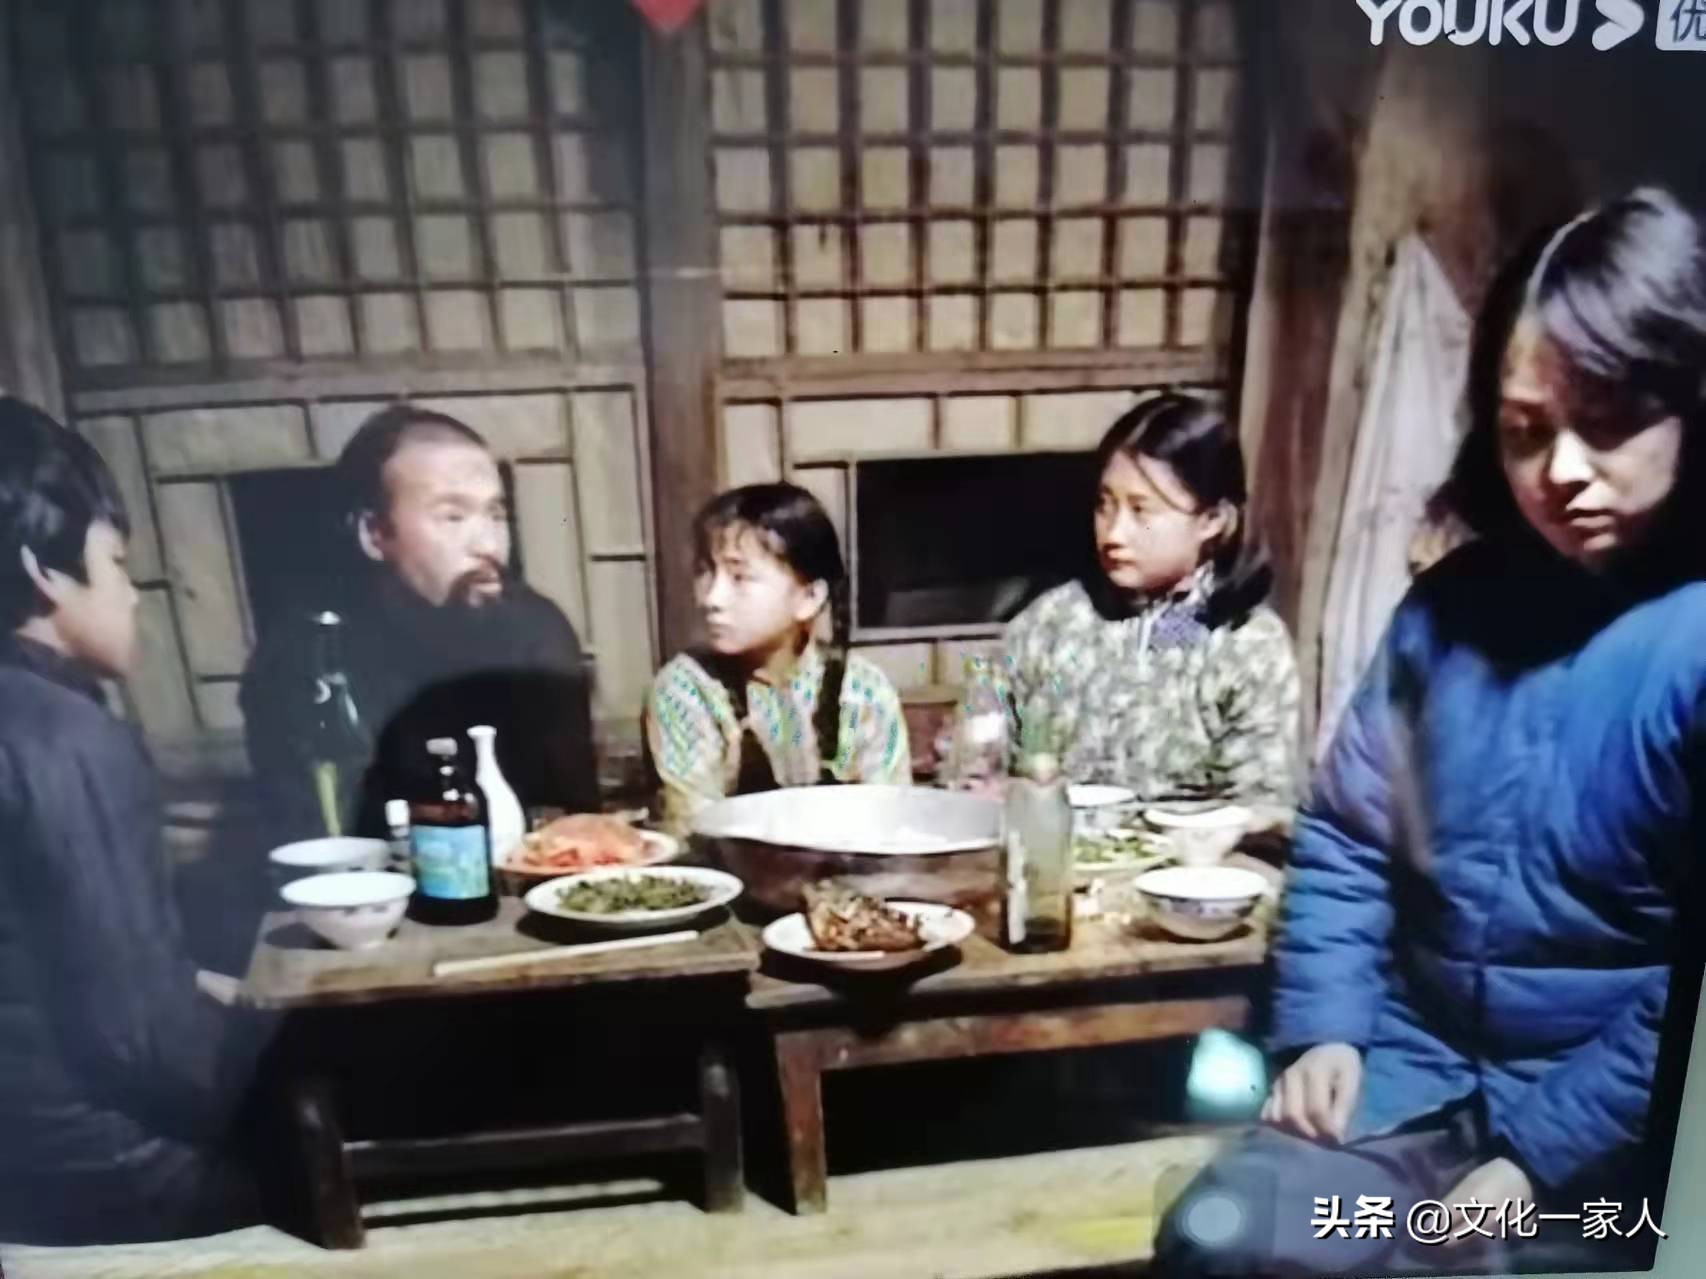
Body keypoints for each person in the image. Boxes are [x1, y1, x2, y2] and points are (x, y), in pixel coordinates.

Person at [1154, 187, 1706, 1276]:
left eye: (1607, 420)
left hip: (1609, 1146)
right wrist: (1326, 1026)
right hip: (1408, 1071)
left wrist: (1534, 1160)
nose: (1560, 470)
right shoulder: (1448, 608)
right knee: (1219, 1237)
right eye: (1525, 430)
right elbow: (1349, 837)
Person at [0, 399, 268, 1243]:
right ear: (42, 569)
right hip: (96, 1165)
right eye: (114, 562)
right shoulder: (61, 735)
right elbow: (140, 1039)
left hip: (24, 1148)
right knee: (368, 1130)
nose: (132, 594)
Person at [241, 403, 599, 839]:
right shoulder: (309, 654)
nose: (488, 545)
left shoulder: (536, 630)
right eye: (453, 517)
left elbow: (574, 817)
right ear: (376, 533)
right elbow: (313, 837)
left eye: (496, 514)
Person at [969, 392, 1301, 810]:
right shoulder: (1049, 623)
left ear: (1212, 520)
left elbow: (1261, 805)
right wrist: (988, 787)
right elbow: (977, 754)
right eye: (1105, 506)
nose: (1114, 533)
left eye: (1141, 511)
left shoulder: (1249, 645)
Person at [645, 482, 911, 835]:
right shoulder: (687, 688)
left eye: (739, 577)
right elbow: (695, 829)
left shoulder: (862, 690)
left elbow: (890, 819)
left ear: (809, 597)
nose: (712, 598)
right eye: (705, 571)